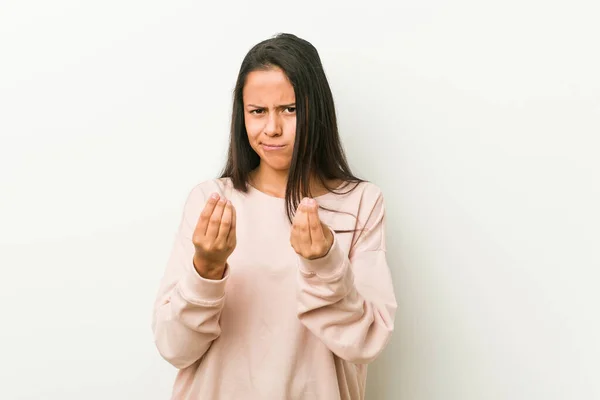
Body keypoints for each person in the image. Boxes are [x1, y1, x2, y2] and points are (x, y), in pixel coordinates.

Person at [152, 33, 397, 400]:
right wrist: (207, 266)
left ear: (318, 111)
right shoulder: (213, 201)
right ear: (242, 115)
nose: (272, 129)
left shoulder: (360, 202)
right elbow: (174, 348)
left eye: (290, 109)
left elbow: (366, 343)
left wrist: (325, 265)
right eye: (257, 111)